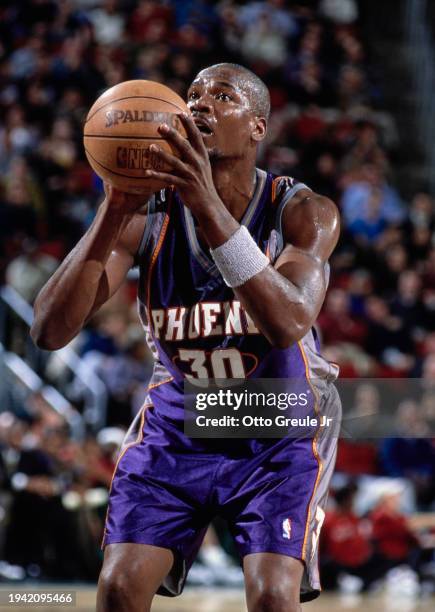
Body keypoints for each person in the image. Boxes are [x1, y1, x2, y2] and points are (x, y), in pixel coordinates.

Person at [31, 63, 341, 612]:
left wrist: (206, 202)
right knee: (118, 589)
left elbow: (289, 322)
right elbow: (49, 331)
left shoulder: (304, 213)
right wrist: (112, 209)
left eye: (221, 96)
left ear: (257, 128)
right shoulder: (145, 216)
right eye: (192, 94)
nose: (198, 104)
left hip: (274, 428)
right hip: (180, 424)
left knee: (272, 598)